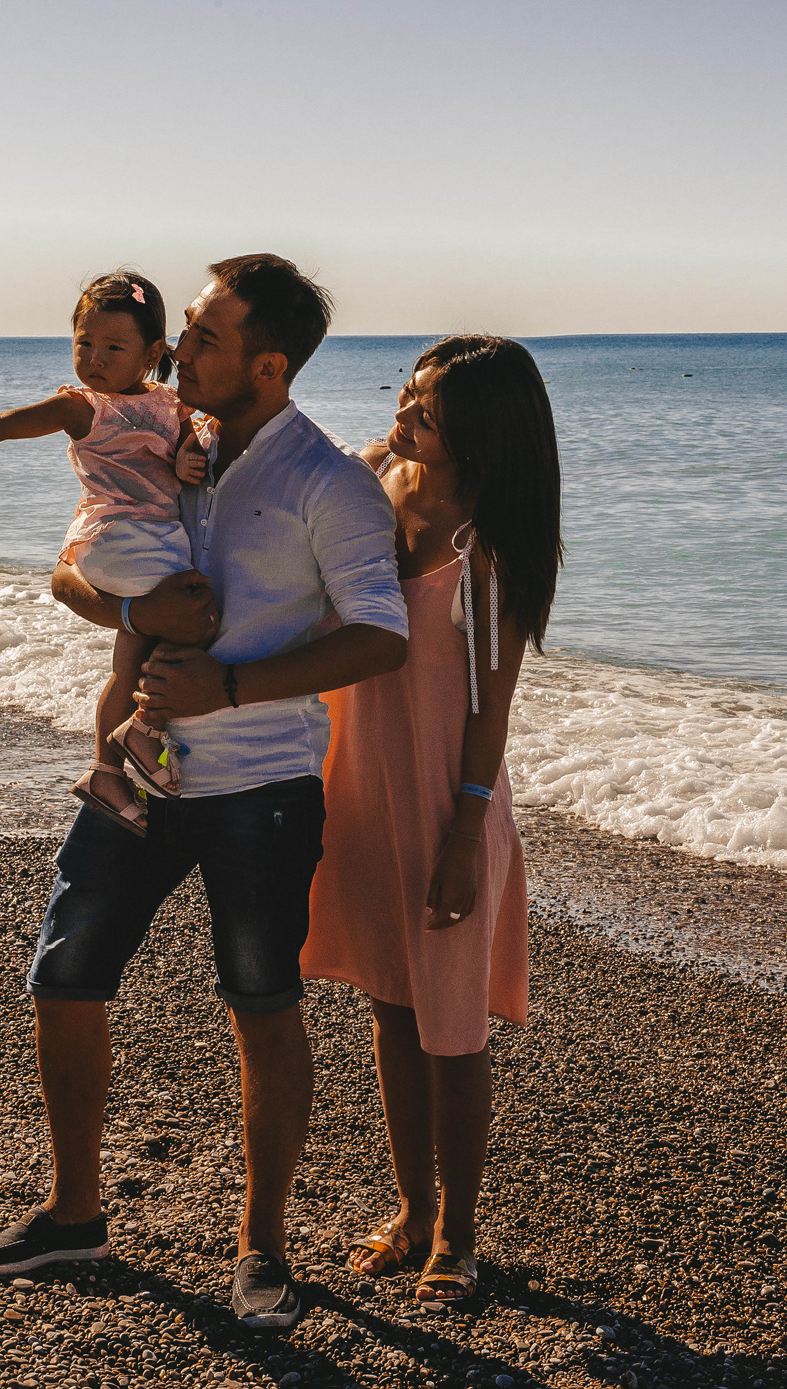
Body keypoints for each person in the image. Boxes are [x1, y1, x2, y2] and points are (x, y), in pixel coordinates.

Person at [0, 254, 409, 1328]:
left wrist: (230, 684)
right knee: (63, 977)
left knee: (260, 1003)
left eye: (205, 335)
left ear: (268, 363)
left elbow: (380, 635)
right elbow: (70, 570)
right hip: (138, 769)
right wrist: (127, 616)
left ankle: (263, 1249)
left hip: (262, 783)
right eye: (185, 330)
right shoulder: (163, 442)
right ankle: (73, 1213)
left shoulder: (328, 482)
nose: (180, 350)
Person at [301, 335, 562, 1304]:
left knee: (450, 1030)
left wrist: (463, 836)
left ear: (482, 430)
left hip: (444, 803)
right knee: (389, 1006)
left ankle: (457, 1231)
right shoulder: (376, 477)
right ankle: (410, 1210)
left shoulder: (483, 548)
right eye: (407, 391)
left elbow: (489, 714)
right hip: (357, 786)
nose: (404, 410)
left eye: (429, 406)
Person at [0, 269, 206, 836]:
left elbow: (186, 453)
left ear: (153, 353)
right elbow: (4, 425)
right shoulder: (80, 407)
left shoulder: (170, 404)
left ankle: (105, 772)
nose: (95, 359)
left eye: (113, 347)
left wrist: (186, 458)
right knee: (193, 613)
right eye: (84, 343)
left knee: (132, 658)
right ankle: (144, 729)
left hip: (151, 539)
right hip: (117, 535)